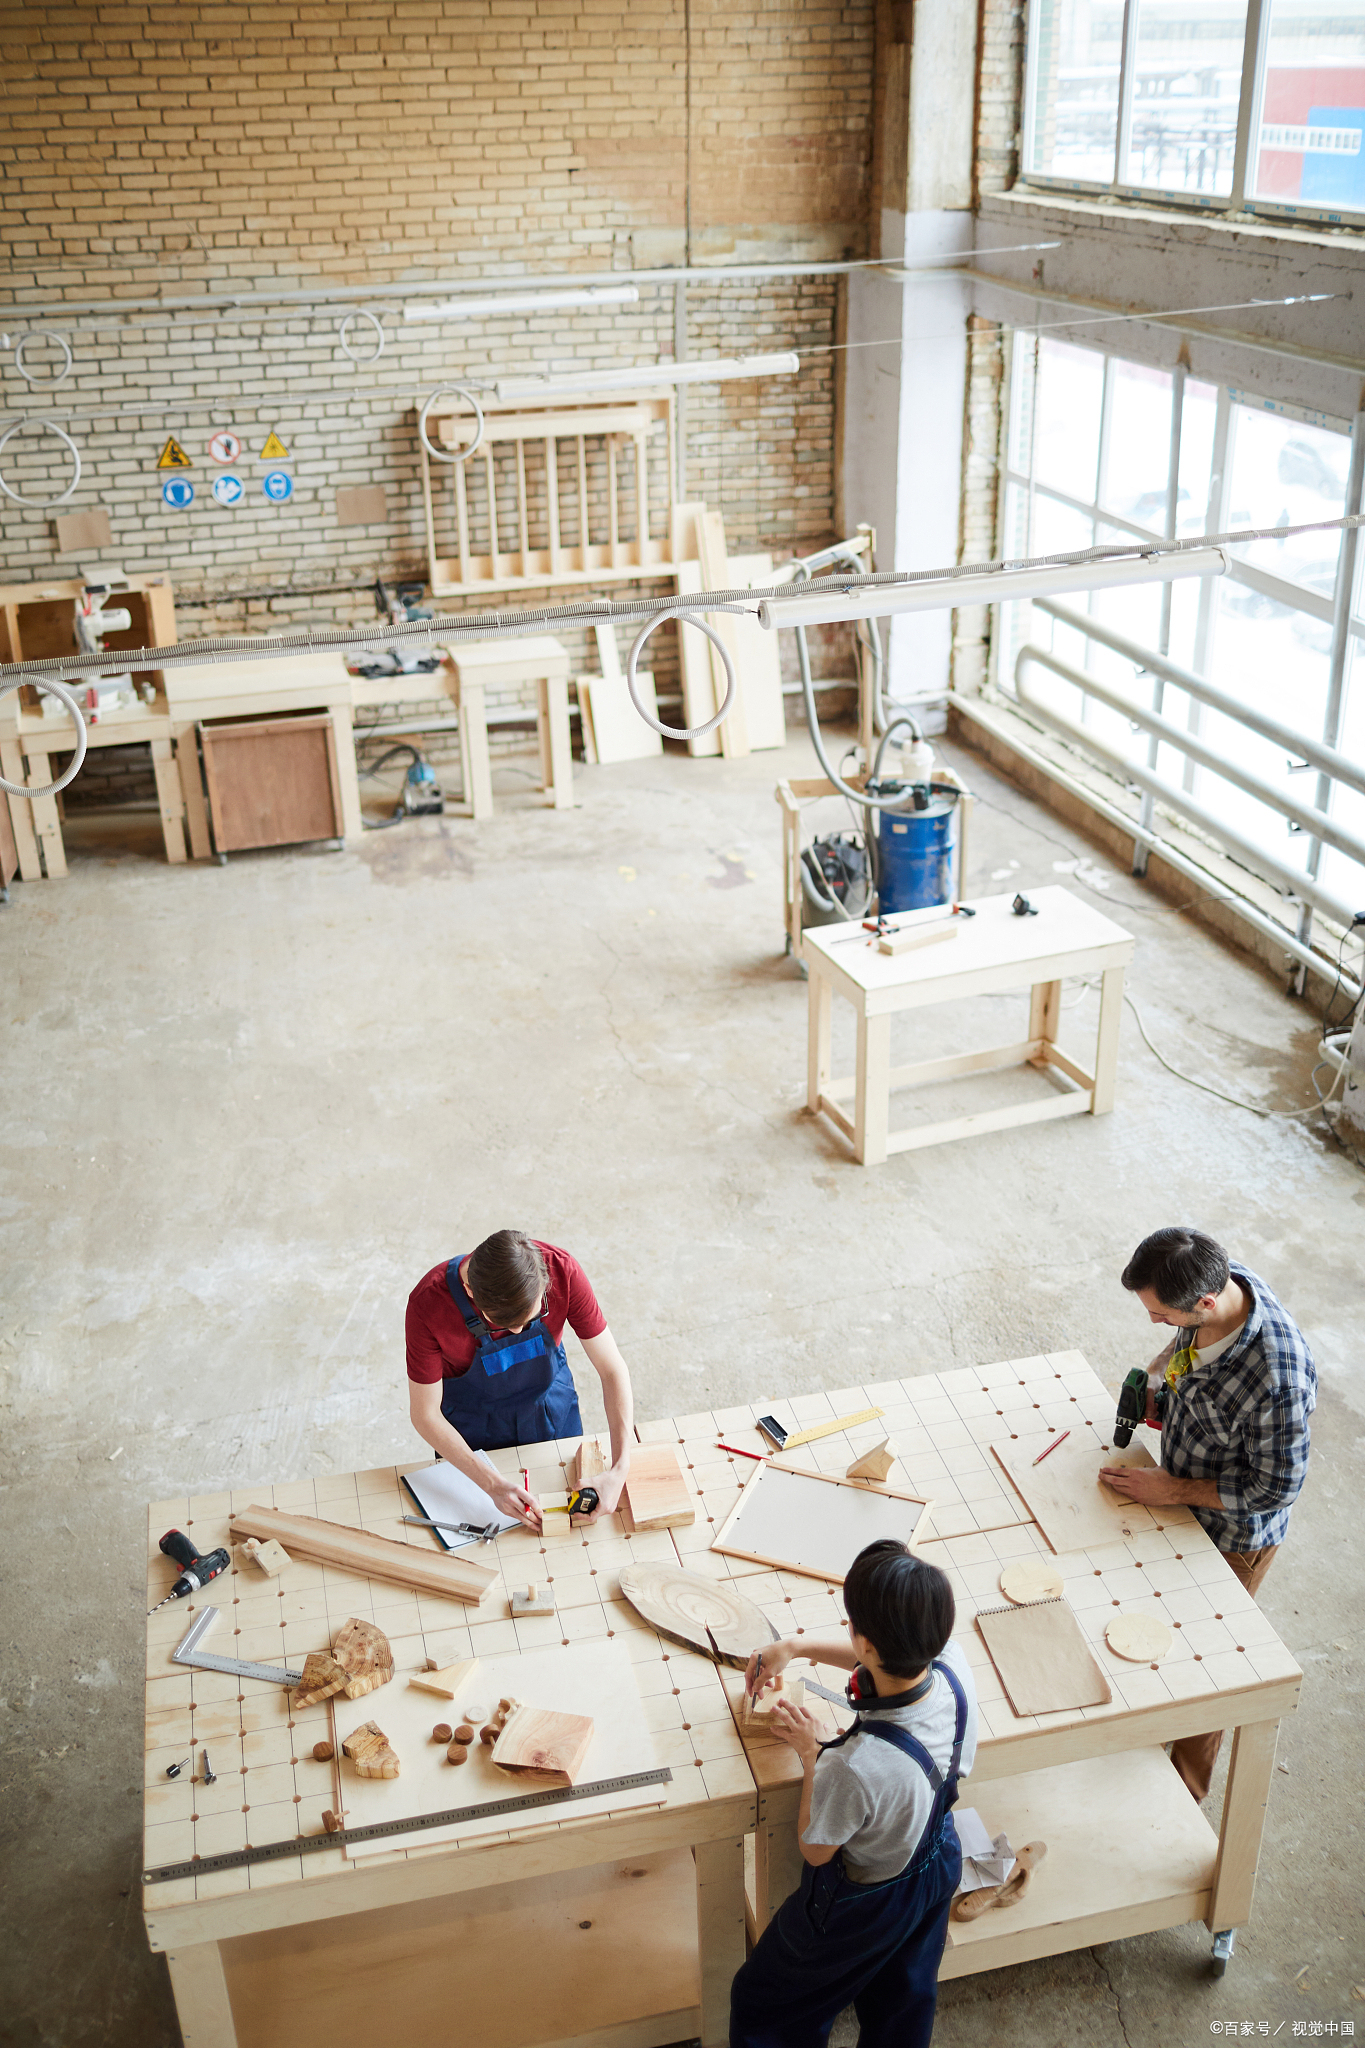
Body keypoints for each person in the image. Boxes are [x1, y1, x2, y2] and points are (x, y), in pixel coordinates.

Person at [730, 1540, 976, 2048]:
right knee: (902, 2000)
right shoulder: (951, 1664)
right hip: (936, 1863)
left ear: (863, 1642)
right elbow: (889, 1660)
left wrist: (811, 1753)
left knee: (769, 2003)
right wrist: (796, 1648)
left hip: (866, 1906)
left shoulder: (852, 1766)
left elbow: (816, 1850)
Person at [1102, 1225, 1316, 1802]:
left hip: (1233, 1534)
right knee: (1149, 1628)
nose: (1154, 1323)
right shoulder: (1215, 1280)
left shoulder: (1278, 1378)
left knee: (1206, 1663)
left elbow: (1277, 1487)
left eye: (1161, 1314)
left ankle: (1181, 1795)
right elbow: (1180, 1347)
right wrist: (1156, 1379)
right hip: (1178, 1487)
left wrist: (1171, 1490)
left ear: (1204, 1302)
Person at [405, 1229, 634, 1530]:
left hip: (551, 1411)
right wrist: (492, 1485)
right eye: (502, 1323)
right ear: (471, 1291)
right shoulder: (428, 1305)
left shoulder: (562, 1270)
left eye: (532, 1317)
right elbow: (425, 1415)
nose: (517, 1331)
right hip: (472, 1435)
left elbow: (612, 1368)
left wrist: (619, 1469)